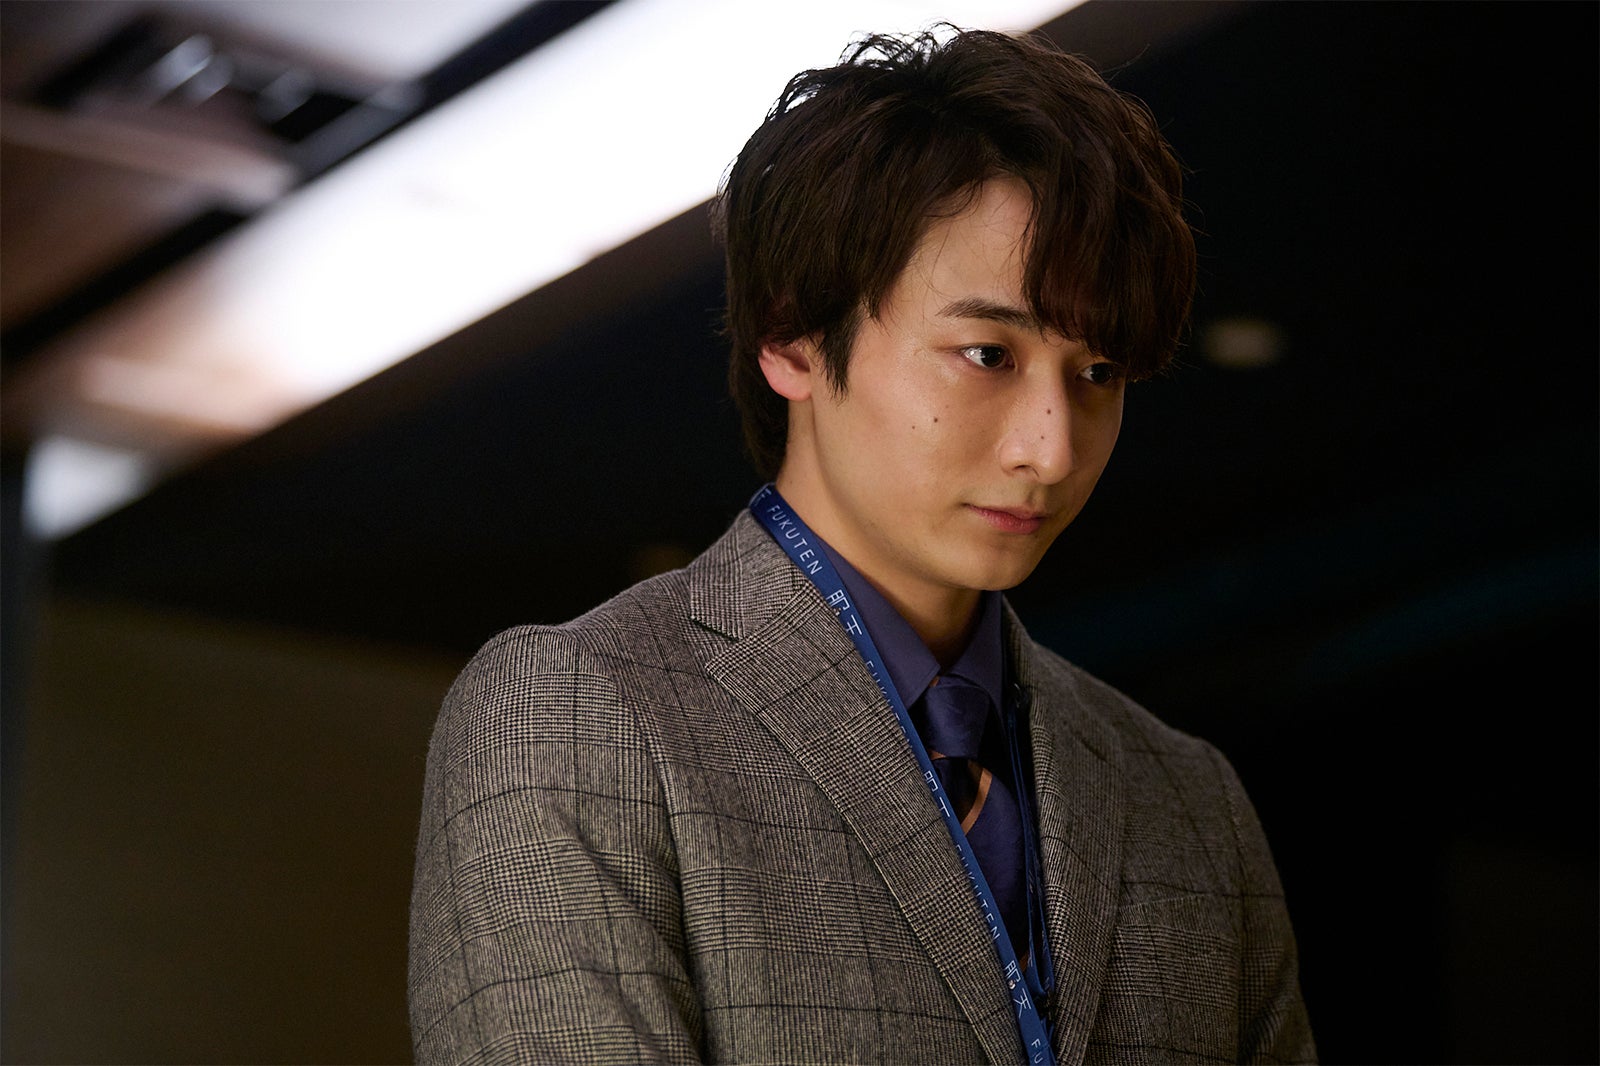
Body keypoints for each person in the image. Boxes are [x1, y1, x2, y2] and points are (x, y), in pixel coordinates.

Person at [408, 27, 1314, 1065]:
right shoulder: (576, 717)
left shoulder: (1187, 800)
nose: (1051, 447)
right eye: (987, 354)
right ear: (792, 335)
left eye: (1099, 373)